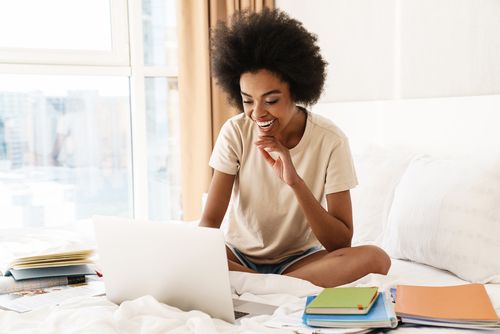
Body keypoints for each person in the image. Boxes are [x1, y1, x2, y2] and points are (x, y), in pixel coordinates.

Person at [200, 8, 391, 288]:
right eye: (248, 100)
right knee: (180, 250)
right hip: (238, 255)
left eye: (272, 100)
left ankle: (257, 285)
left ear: (297, 91)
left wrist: (295, 181)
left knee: (377, 259)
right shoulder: (235, 132)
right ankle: (279, 286)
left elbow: (340, 241)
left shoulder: (330, 140)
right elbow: (210, 221)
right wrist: (197, 256)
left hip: (300, 260)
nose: (258, 113)